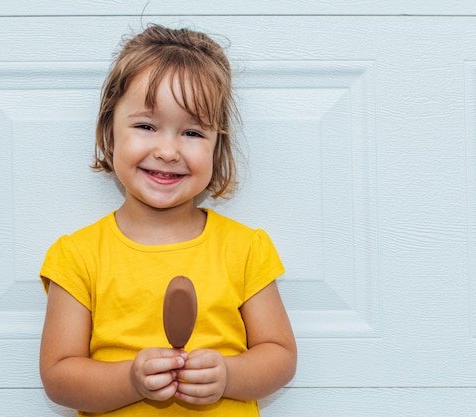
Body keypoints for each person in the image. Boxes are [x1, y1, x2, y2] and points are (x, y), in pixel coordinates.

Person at [39, 24, 297, 416]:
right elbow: (59, 377)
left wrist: (228, 375)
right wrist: (130, 380)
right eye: (146, 126)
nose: (167, 150)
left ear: (218, 148)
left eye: (192, 132)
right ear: (109, 134)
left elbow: (280, 357)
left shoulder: (246, 249)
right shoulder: (77, 256)